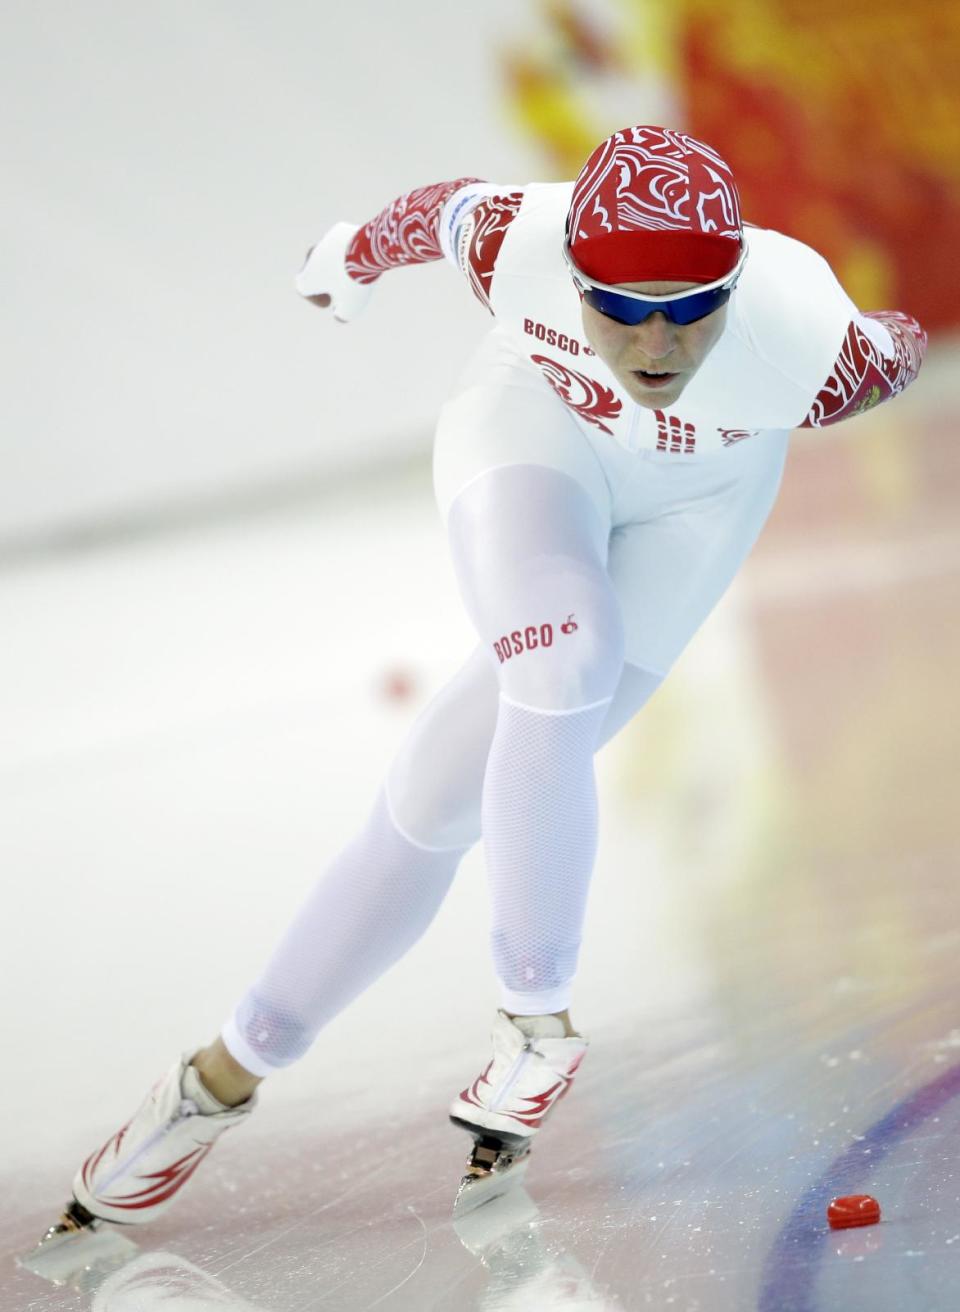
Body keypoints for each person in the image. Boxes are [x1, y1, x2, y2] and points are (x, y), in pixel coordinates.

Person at [42, 124, 926, 1238]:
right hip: (535, 430)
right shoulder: (518, 237)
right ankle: (536, 1021)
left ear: (737, 283)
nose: (656, 341)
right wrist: (350, 257)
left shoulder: (814, 345)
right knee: (560, 658)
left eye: (693, 306)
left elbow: (897, 341)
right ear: (571, 275)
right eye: (620, 303)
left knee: (433, 801)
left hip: (699, 505)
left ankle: (215, 1079)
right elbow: (420, 217)